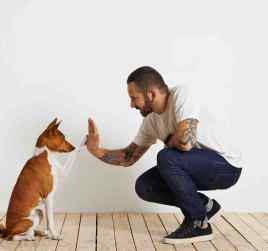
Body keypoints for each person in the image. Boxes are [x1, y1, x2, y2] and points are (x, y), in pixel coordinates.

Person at [85, 66, 242, 244]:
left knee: (167, 157)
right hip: (199, 167)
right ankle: (205, 207)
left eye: (133, 98)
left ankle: (199, 224)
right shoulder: (151, 121)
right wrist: (96, 150)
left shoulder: (182, 94)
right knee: (145, 186)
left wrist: (169, 139)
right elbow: (128, 158)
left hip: (227, 167)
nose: (131, 105)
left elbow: (186, 142)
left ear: (151, 94)